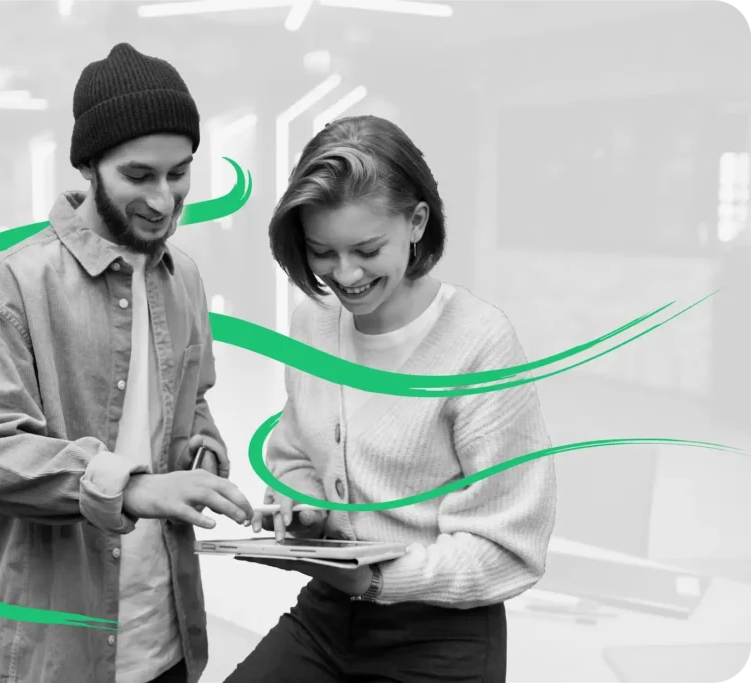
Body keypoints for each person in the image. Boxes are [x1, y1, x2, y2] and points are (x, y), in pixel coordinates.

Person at [0, 43, 254, 683]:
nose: (165, 199)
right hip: (66, 650)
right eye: (139, 176)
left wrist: (204, 453)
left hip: (169, 633)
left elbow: (192, 402)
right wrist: (130, 486)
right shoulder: (6, 287)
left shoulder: (184, 277)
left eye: (180, 173)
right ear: (89, 165)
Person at [225, 115, 557, 683]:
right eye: (321, 252)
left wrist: (380, 578)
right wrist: (302, 506)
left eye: (366, 249)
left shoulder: (479, 343)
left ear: (417, 223)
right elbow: (296, 455)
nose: (343, 274)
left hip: (442, 632)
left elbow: (510, 547)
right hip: (331, 615)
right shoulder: (313, 325)